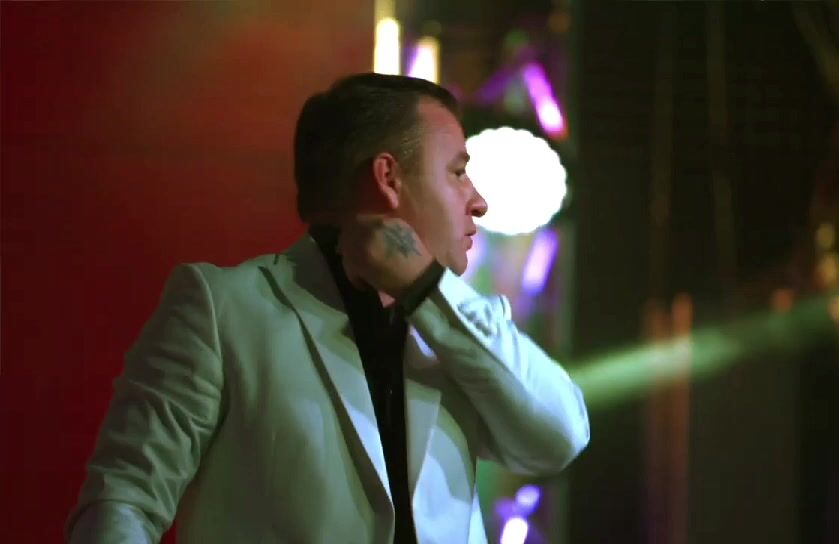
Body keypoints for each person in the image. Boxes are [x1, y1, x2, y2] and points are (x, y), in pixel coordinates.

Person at [67, 73, 590, 544]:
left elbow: (559, 439)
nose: (478, 201)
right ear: (389, 178)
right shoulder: (225, 307)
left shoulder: (458, 327)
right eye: (457, 173)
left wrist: (426, 289)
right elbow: (124, 501)